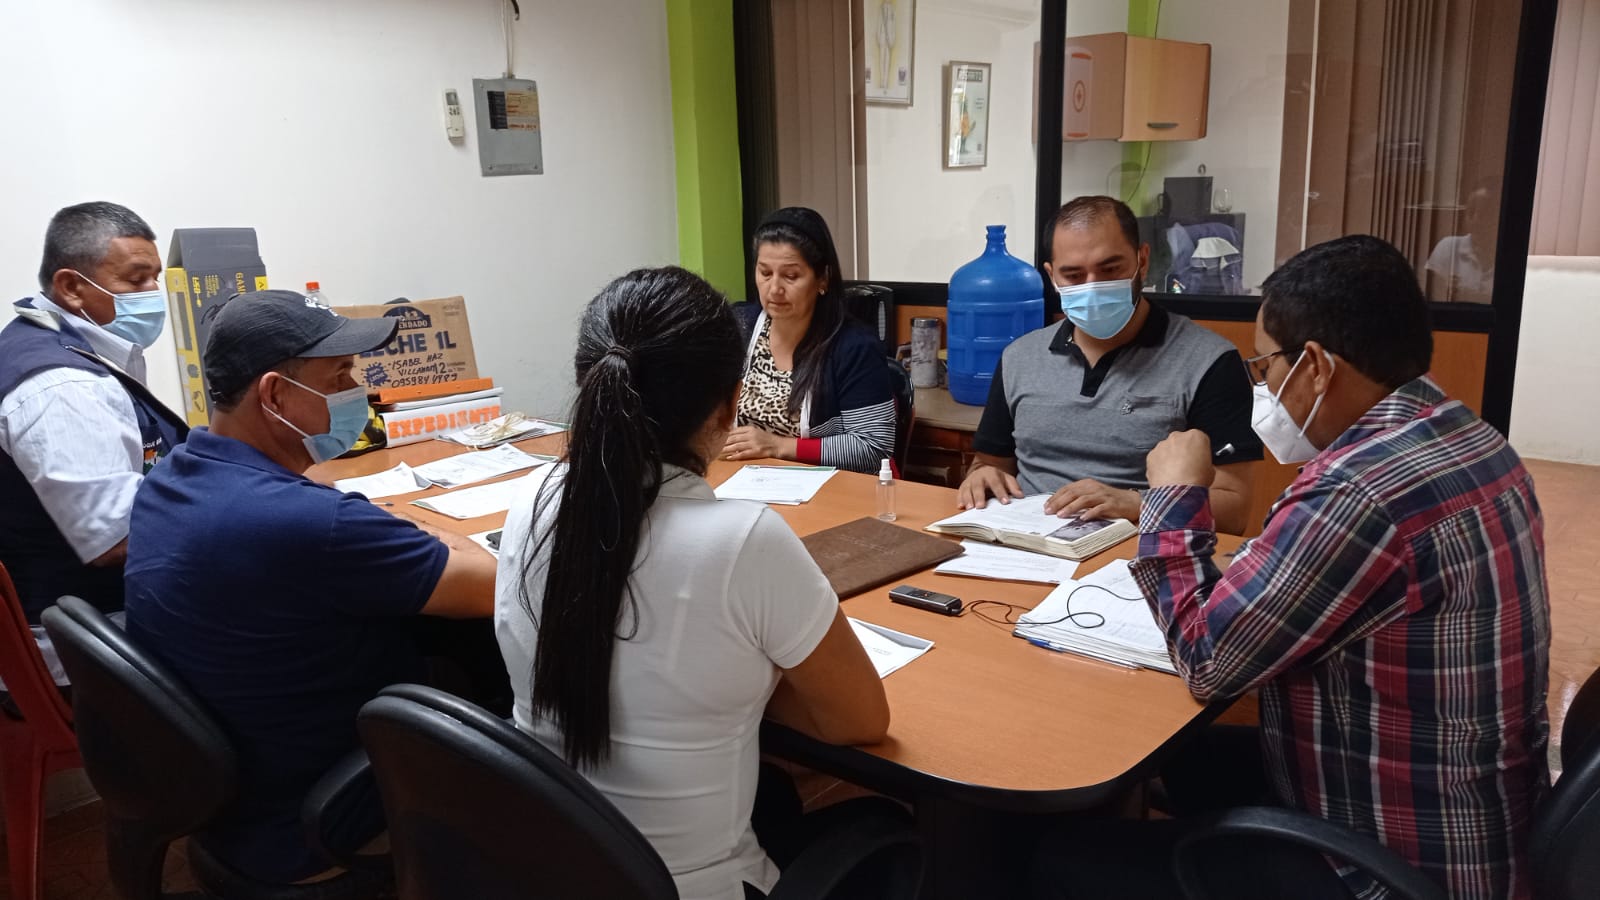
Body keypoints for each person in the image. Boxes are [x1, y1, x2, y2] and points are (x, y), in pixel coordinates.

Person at [1034, 235, 1550, 898]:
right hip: (1469, 813)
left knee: (1053, 856)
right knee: (1179, 757)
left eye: (1267, 364)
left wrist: (1172, 494)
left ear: (1315, 367)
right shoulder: (1463, 433)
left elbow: (1207, 660)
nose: (1264, 384)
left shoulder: (1358, 491)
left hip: (1386, 865)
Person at [496, 266, 891, 900]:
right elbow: (858, 720)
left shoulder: (529, 501)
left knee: (775, 792)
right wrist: (753, 684)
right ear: (730, 404)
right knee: (887, 823)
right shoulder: (743, 541)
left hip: (546, 867)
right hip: (691, 887)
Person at [124, 290, 501, 885]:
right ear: (274, 395)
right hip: (314, 820)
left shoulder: (171, 476)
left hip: (232, 794)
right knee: (495, 660)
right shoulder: (308, 524)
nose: (357, 392)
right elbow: (492, 587)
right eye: (340, 377)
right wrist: (436, 533)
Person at [959, 196, 1262, 535]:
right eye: (1073, 275)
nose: (1092, 287)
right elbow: (990, 464)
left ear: (1142, 261)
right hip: (1028, 542)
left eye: (1110, 269)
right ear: (1052, 276)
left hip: (1143, 549)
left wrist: (1137, 504)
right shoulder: (1019, 357)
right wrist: (980, 477)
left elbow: (1234, 510)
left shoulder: (1210, 362)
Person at [0, 201, 182, 702]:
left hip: (91, 621)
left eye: (155, 279)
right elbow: (113, 541)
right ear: (72, 287)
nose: (153, 294)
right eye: (136, 280)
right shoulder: (62, 387)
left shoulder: (61, 344)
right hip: (84, 645)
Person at [724, 207, 897, 475]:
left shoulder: (854, 346)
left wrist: (778, 446)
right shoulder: (741, 325)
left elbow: (874, 448)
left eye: (791, 276)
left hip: (832, 486)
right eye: (765, 273)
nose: (774, 289)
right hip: (749, 479)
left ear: (823, 278)